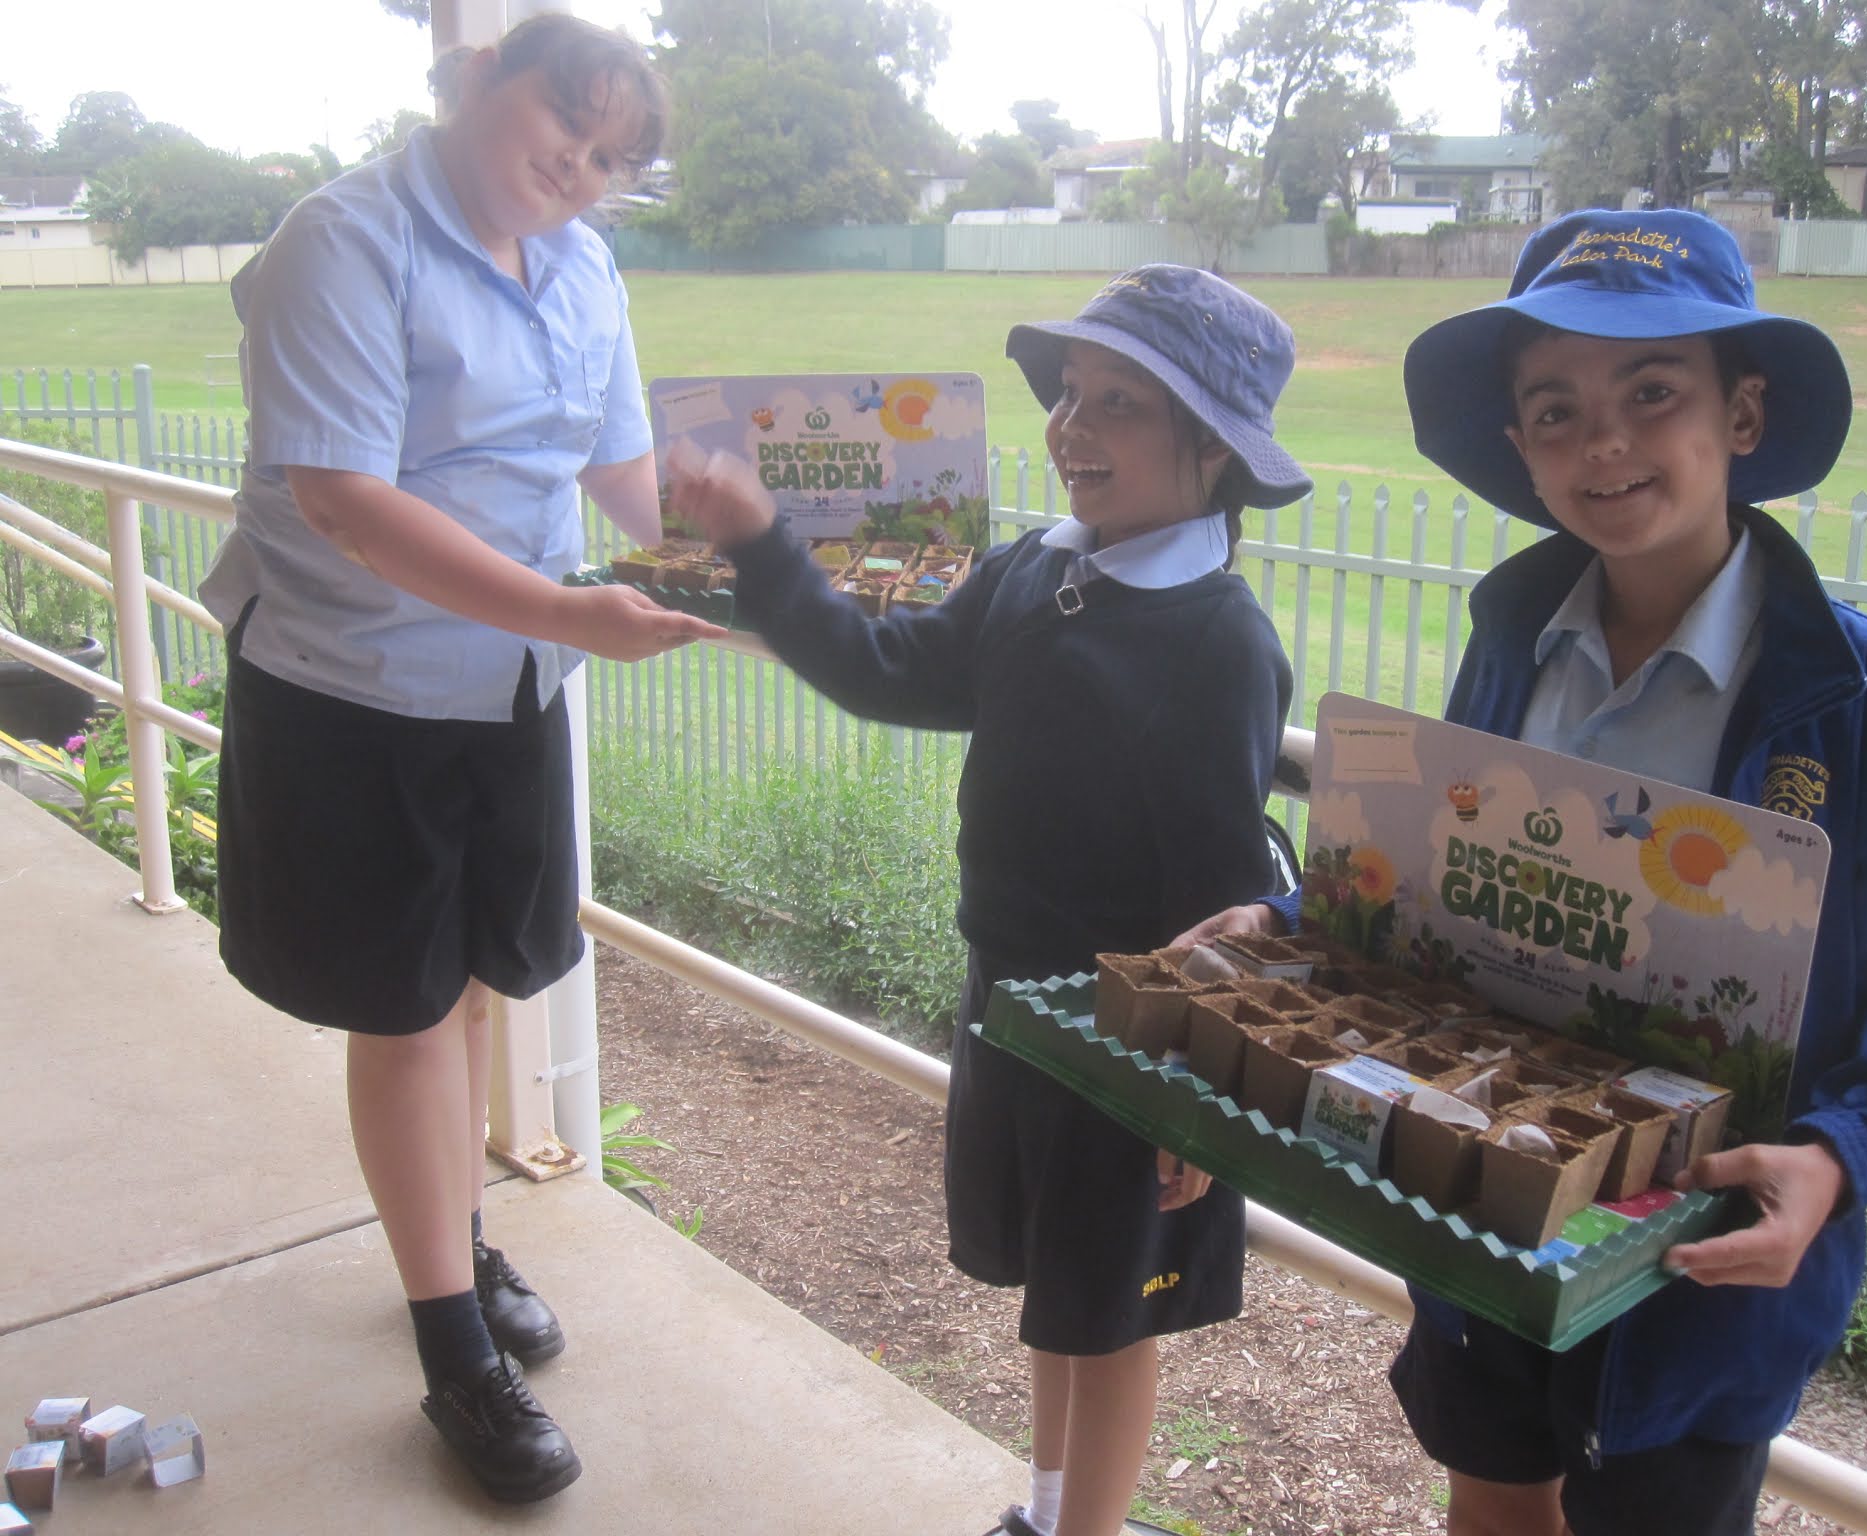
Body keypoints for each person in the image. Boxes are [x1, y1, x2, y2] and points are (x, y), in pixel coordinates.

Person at [1177, 209, 1867, 1536]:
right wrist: (1292, 921)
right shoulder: (1515, 641)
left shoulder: (1843, 691)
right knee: (1493, 1486)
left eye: (1652, 393)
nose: (1606, 442)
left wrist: (1842, 1154)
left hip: (1696, 1277)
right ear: (1517, 443)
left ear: (1741, 414)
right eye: (1555, 408)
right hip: (1488, 1201)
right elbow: (1448, 882)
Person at [671, 265, 1309, 1536]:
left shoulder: (1214, 640)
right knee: (1060, 1295)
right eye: (1071, 393)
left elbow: (1224, 886)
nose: (1073, 427)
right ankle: (1042, 1508)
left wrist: (1195, 1091)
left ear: (1212, 451)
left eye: (1120, 402)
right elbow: (886, 668)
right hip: (1009, 1001)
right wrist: (755, 544)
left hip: (1130, 1043)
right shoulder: (1034, 571)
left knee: (1115, 1314)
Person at [199, 15, 721, 1504]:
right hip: (357, 683)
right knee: (407, 1008)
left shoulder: (581, 263)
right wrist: (567, 608)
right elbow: (346, 497)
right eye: (566, 125)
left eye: (616, 159)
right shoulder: (344, 241)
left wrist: (768, 556)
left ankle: (455, 1238)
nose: (583, 169)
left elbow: (623, 472)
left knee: (482, 975)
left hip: (511, 682)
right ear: (477, 80)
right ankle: (453, 1355)